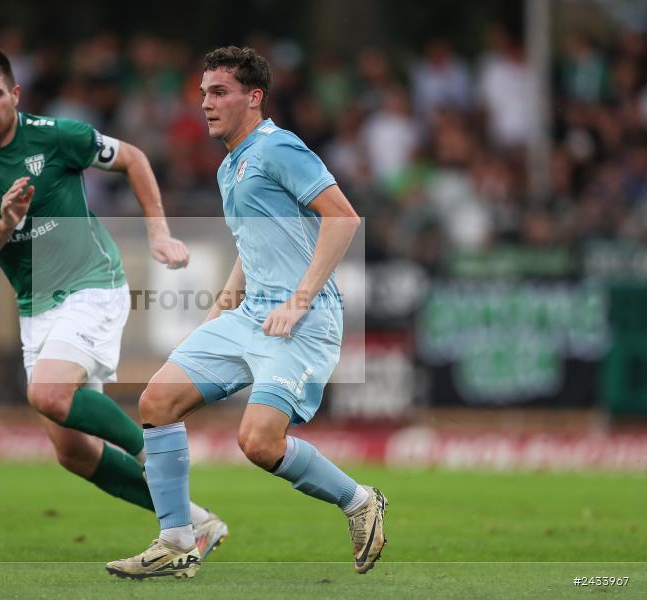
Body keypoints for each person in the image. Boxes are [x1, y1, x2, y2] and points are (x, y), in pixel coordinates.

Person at [106, 46, 386, 580]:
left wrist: (299, 299)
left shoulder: (279, 148)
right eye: (204, 92)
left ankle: (360, 501)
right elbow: (250, 245)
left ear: (253, 98)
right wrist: (220, 309)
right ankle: (176, 539)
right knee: (157, 400)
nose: (205, 103)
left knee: (258, 442)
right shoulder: (231, 164)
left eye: (219, 92)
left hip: (303, 320)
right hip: (250, 314)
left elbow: (344, 219)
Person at [0, 47, 227, 557]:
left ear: (16, 95)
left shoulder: (57, 136)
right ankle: (194, 522)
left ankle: (155, 454)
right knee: (73, 452)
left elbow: (134, 158)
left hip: (92, 282)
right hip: (35, 305)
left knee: (47, 394)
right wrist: (5, 224)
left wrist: (158, 234)